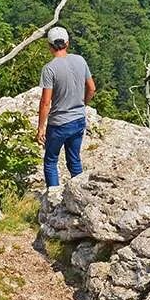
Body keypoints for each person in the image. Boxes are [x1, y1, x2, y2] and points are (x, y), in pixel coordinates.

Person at [36, 26, 96, 187]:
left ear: (49, 46)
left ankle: (53, 199)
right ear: (67, 43)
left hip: (59, 123)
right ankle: (80, 194)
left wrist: (41, 128)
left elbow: (46, 102)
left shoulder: (49, 69)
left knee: (50, 161)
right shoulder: (80, 60)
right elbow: (92, 88)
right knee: (74, 160)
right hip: (78, 120)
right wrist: (82, 104)